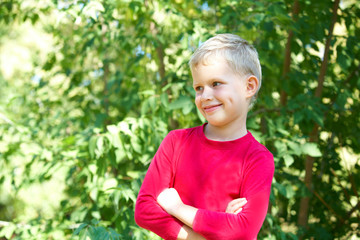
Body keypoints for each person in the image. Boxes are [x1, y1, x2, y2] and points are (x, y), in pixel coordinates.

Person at [134, 33, 274, 240]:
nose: (205, 96)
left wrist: (177, 208)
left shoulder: (257, 158)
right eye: (199, 88)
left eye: (216, 83)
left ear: (249, 86)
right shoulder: (176, 142)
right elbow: (144, 210)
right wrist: (217, 228)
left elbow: (244, 230)